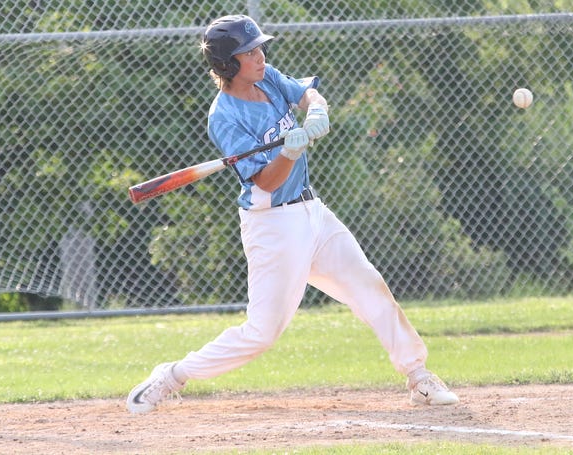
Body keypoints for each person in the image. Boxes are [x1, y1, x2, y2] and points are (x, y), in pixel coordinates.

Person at [126, 14, 458, 414]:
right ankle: (173, 375)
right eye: (249, 53)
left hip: (312, 211)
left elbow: (306, 95)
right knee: (261, 333)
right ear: (229, 64)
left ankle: (418, 375)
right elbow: (265, 181)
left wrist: (316, 112)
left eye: (259, 48)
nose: (261, 56)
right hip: (273, 227)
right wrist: (289, 150)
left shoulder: (266, 78)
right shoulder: (224, 116)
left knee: (368, 283)